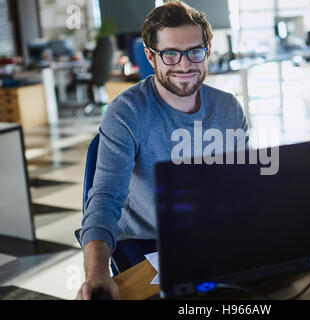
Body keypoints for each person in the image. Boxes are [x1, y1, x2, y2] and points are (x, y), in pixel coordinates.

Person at [76, 0, 248, 300]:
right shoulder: (127, 112)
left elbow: (241, 185)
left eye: (195, 51)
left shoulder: (228, 108)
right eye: (170, 54)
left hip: (208, 234)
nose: (184, 65)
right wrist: (96, 272)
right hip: (146, 241)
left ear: (207, 51)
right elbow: (105, 198)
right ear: (151, 57)